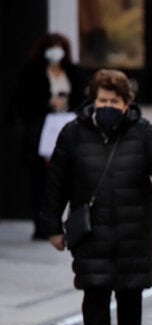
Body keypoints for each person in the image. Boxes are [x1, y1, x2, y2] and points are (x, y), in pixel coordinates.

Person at [40, 69, 152, 325]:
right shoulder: (73, 134)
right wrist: (52, 224)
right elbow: (56, 183)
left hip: (134, 231)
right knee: (94, 300)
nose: (108, 105)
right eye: (103, 100)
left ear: (126, 103)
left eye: (114, 101)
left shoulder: (143, 133)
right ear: (92, 101)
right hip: (91, 233)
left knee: (130, 298)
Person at [13, 32, 87, 240]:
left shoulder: (73, 73)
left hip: (67, 125)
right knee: (41, 180)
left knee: (68, 178)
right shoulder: (33, 74)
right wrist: (47, 104)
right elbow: (23, 102)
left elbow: (83, 97)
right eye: (52, 46)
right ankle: (42, 225)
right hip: (41, 130)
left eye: (60, 46)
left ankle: (70, 223)